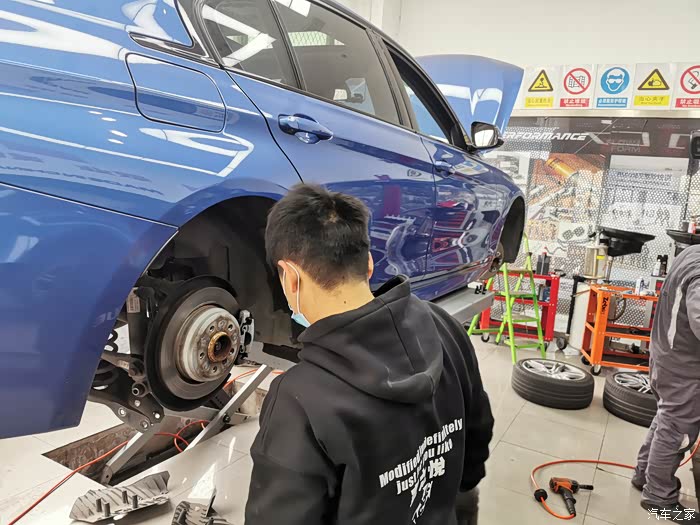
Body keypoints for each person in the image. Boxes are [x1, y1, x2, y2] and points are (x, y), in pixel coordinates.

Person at [244, 184, 493, 525]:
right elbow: (477, 437)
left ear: (289, 276)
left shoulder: (300, 400)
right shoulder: (443, 325)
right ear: (370, 263)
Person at [633, 243, 700, 523]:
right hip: (684, 365)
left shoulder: (692, 252)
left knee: (667, 419)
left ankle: (644, 475)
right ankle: (659, 499)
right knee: (677, 430)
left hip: (666, 354)